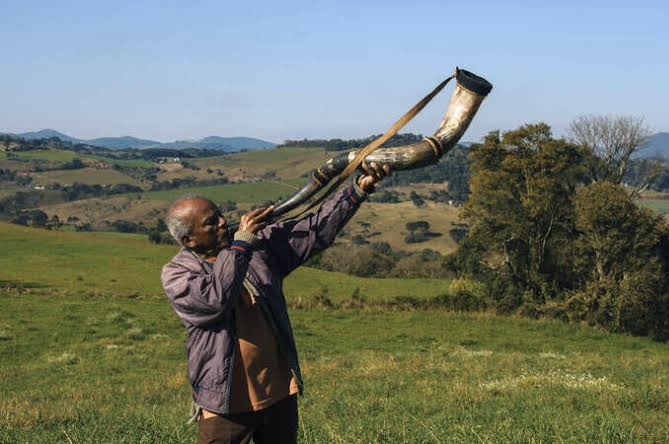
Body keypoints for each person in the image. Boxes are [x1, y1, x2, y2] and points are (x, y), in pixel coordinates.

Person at [161, 162, 390, 444]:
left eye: (219, 215)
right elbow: (218, 299)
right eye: (211, 222)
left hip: (278, 393)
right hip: (225, 406)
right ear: (189, 239)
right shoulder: (178, 274)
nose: (222, 222)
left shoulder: (257, 248)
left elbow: (314, 231)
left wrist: (357, 191)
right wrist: (242, 243)